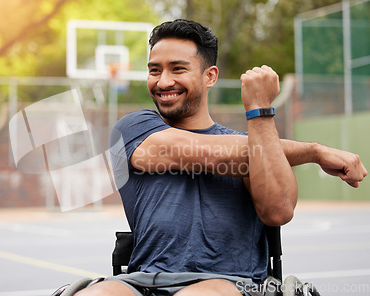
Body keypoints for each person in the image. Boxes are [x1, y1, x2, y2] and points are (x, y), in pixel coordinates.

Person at [76, 19, 367, 296]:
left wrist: (260, 110)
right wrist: (314, 152)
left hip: (230, 283)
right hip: (143, 281)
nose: (163, 81)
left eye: (178, 69)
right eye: (154, 70)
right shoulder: (132, 129)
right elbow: (205, 153)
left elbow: (278, 212)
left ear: (210, 76)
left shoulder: (253, 143)